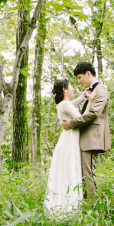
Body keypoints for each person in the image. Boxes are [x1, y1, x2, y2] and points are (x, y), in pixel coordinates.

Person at [61, 62, 110, 199]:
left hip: (92, 137)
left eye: (79, 77)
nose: (79, 81)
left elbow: (94, 113)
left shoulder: (100, 89)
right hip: (87, 137)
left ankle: (95, 209)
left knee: (88, 174)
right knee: (84, 173)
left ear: (88, 73)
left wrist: (72, 123)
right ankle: (87, 205)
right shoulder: (92, 90)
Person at [44, 78, 85, 214]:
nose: (74, 88)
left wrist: (84, 96)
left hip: (67, 140)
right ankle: (69, 209)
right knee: (69, 171)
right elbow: (81, 118)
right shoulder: (65, 105)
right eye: (71, 86)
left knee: (65, 172)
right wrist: (90, 101)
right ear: (65, 89)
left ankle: (63, 207)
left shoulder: (63, 104)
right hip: (69, 142)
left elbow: (73, 103)